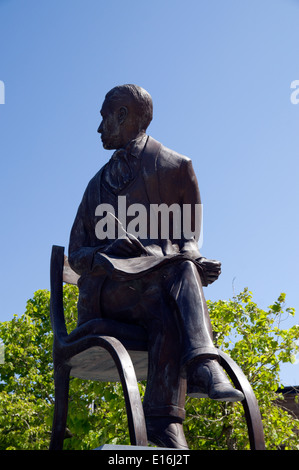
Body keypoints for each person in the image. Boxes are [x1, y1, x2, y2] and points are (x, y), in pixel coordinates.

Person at [68, 84, 244, 449]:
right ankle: (203, 364)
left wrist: (197, 262)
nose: (99, 128)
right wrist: (107, 252)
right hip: (107, 293)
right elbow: (75, 255)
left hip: (154, 293)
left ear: (123, 115)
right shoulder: (94, 187)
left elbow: (188, 240)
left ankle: (165, 429)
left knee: (172, 292)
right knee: (177, 276)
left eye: (104, 117)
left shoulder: (176, 167)